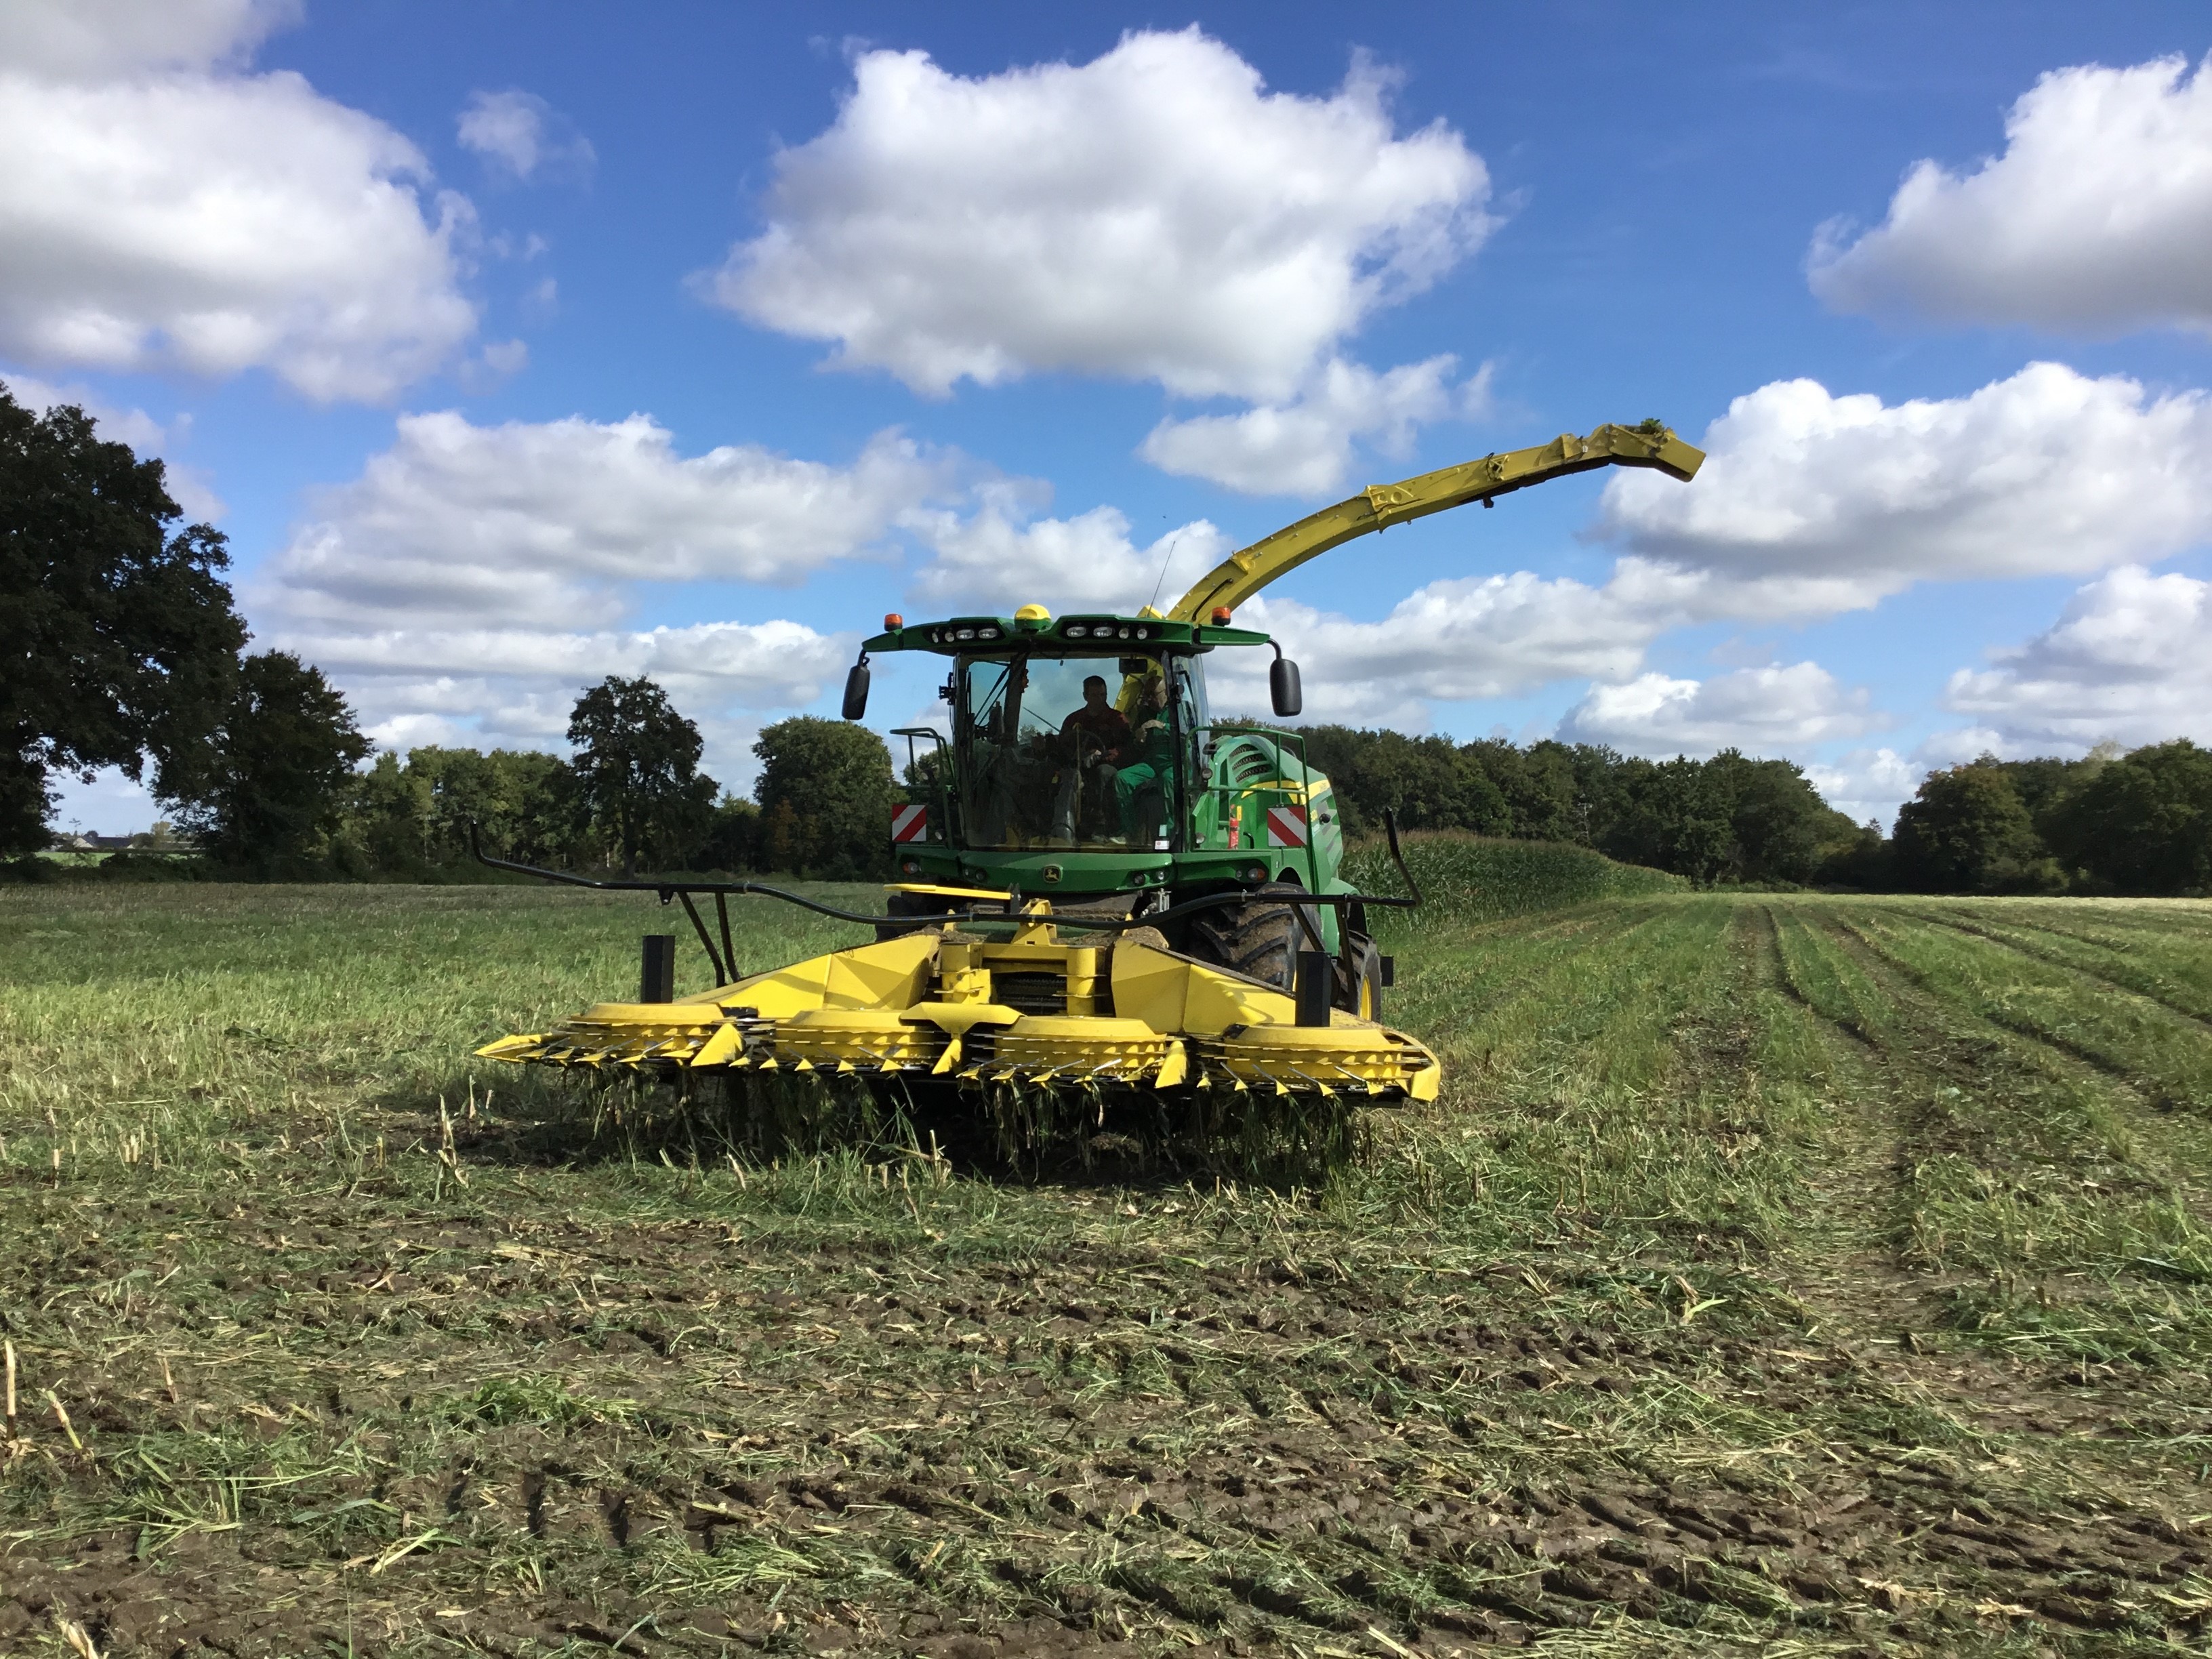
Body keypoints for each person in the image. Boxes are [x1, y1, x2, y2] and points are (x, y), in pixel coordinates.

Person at [1048, 674, 1130, 841]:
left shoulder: (1117, 719)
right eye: (1094, 695)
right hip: (1076, 767)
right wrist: (1045, 745)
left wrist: (1102, 755)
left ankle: (1101, 826)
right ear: (1085, 696)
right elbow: (1062, 748)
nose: (1100, 699)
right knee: (1054, 773)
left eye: (1103, 695)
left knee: (1103, 773)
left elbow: (1128, 749)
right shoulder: (1073, 720)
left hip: (1108, 766)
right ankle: (1055, 826)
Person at [1113, 672, 1176, 842]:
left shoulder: (1179, 709)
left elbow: (1186, 734)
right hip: (1151, 763)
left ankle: (1172, 833)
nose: (1148, 699)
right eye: (1146, 694)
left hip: (1174, 763)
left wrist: (1163, 726)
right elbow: (1136, 747)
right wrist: (1139, 739)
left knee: (1169, 779)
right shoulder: (1144, 713)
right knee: (1122, 778)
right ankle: (1130, 832)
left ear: (1166, 692)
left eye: (1152, 695)